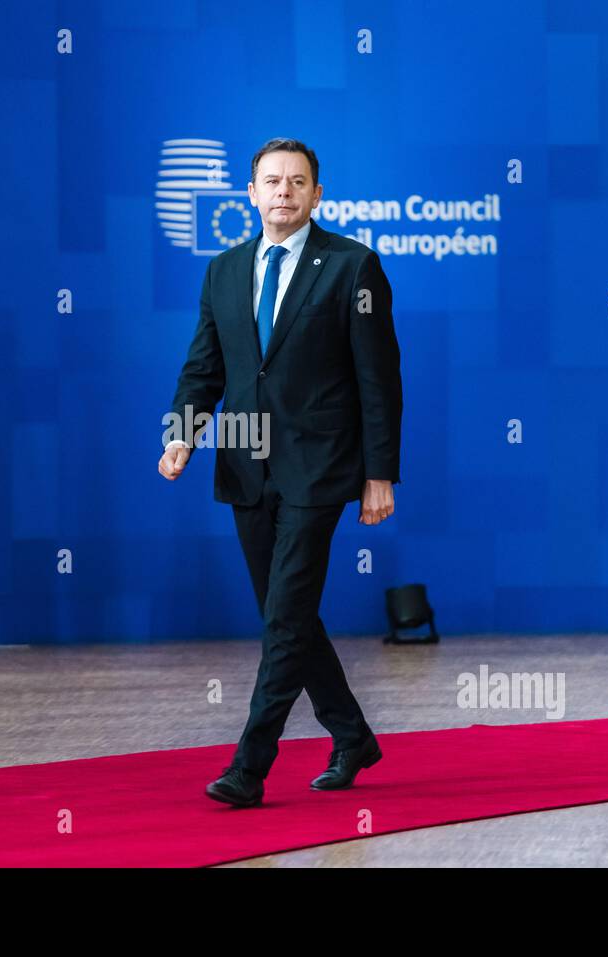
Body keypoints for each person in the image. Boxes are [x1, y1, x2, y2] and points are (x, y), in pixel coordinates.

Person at [159, 137, 403, 807]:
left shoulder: (353, 267)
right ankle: (351, 734)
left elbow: (378, 381)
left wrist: (379, 473)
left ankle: (250, 764)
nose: (285, 192)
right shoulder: (223, 271)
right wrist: (183, 432)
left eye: (298, 182)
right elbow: (204, 366)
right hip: (245, 465)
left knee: (286, 617)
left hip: (320, 468)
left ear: (316, 194)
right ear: (252, 193)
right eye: (272, 181)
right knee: (285, 614)